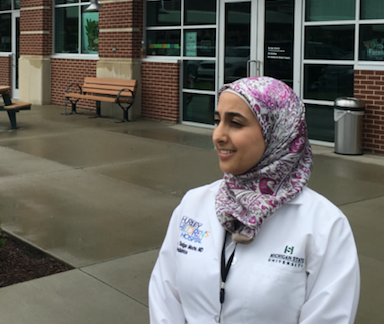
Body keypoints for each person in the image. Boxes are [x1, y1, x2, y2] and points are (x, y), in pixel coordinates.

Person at [149, 76, 360, 324]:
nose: (218, 135)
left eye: (235, 123)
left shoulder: (325, 225)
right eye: (217, 121)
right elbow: (165, 296)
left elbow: (330, 317)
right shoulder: (193, 204)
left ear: (278, 132)